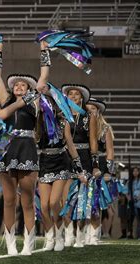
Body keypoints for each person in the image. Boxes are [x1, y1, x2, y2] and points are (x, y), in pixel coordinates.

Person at [0, 40, 48, 255]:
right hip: (6, 148)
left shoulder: (33, 101)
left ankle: (29, 242)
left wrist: (44, 51)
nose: (19, 86)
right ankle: (10, 242)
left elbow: (43, 78)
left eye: (23, 85)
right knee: (8, 199)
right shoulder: (5, 99)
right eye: (16, 84)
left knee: (27, 199)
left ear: (28, 89)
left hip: (26, 147)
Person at [36, 93, 86, 251]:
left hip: (61, 162)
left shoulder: (63, 122)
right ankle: (50, 236)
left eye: (45, 104)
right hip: (44, 162)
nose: (43, 106)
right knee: (43, 206)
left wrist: (79, 170)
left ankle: (59, 235)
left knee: (54, 202)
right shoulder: (36, 122)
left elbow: (71, 146)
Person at [60, 84, 100, 248]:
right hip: (64, 158)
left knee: (82, 198)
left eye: (77, 94)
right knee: (65, 198)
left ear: (81, 98)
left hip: (84, 158)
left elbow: (93, 140)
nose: (73, 96)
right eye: (70, 94)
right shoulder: (61, 115)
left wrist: (95, 164)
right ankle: (68, 233)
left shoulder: (88, 116)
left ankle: (80, 235)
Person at [87, 98, 115, 241]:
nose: (90, 111)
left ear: (98, 111)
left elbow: (110, 151)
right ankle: (84, 232)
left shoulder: (105, 128)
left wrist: (109, 172)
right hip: (86, 164)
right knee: (83, 199)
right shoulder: (82, 126)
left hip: (101, 165)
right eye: (88, 108)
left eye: (93, 108)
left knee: (95, 201)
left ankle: (94, 233)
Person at [130, 167, 140, 240]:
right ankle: (133, 234)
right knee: (134, 219)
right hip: (133, 203)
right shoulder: (131, 181)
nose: (135, 172)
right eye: (134, 171)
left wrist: (138, 198)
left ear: (139, 172)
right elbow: (128, 191)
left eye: (136, 171)